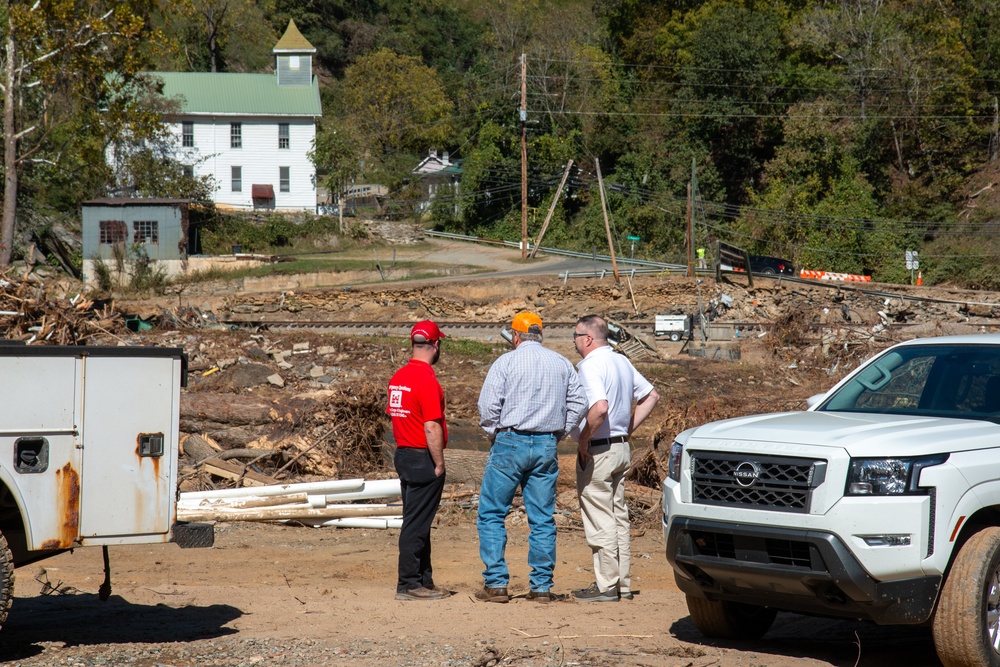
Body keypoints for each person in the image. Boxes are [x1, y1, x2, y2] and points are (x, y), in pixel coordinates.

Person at [475, 312, 587, 603]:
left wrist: (494, 433)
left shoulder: (506, 362)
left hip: (510, 441)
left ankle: (497, 584)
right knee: (542, 519)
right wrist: (559, 432)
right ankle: (540, 587)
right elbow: (579, 402)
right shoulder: (561, 363)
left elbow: (488, 406)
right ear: (541, 335)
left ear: (515, 336)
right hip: (546, 444)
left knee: (491, 513)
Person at [572, 314, 660, 602]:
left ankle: (606, 585)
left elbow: (599, 408)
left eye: (575, 335)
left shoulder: (589, 365)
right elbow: (651, 396)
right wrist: (626, 429)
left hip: (599, 449)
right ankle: (621, 583)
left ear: (587, 338)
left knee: (600, 517)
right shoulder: (622, 360)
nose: (573, 341)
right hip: (621, 447)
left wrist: (584, 440)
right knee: (618, 515)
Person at [386, 320, 450, 601]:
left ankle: (423, 579)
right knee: (416, 523)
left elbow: (397, 416)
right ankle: (409, 583)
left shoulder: (398, 377)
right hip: (422, 455)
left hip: (403, 453)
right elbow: (431, 426)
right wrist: (438, 463)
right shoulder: (427, 380)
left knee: (417, 519)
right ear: (435, 345)